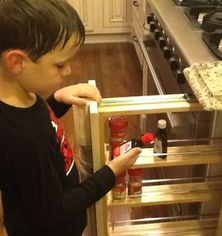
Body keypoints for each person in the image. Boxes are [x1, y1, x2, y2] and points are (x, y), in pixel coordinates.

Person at [0, 0, 142, 235]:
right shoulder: (28, 141)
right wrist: (110, 173)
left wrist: (56, 99)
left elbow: (35, 119)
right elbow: (53, 214)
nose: (68, 71)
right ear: (17, 62)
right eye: (60, 65)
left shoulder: (21, 99)